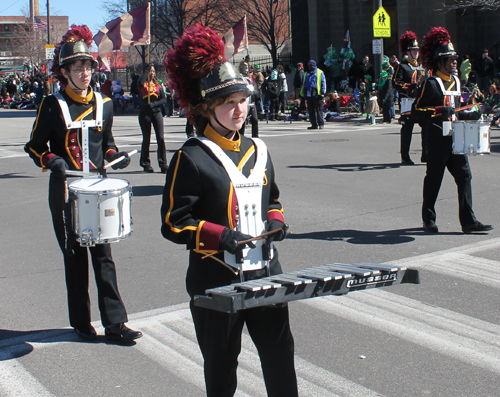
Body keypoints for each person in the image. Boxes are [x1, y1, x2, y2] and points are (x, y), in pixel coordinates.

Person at [161, 24, 298, 397]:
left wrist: (276, 221)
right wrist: (221, 236)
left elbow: (273, 199)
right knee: (221, 366)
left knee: (280, 353)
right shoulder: (191, 157)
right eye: (228, 103)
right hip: (214, 277)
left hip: (267, 271)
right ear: (207, 108)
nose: (239, 110)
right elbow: (174, 223)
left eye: (243, 100)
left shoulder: (260, 150)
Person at [24, 25, 142, 342]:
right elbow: (34, 147)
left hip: (98, 192)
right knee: (75, 257)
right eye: (77, 68)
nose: (84, 73)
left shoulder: (105, 104)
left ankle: (116, 323)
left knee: (103, 257)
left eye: (88, 66)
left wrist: (117, 156)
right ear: (65, 72)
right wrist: (53, 161)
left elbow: (108, 143)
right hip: (65, 192)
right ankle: (81, 322)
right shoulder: (52, 104)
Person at [413, 26, 493, 234]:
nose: (455, 62)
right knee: (434, 179)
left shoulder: (457, 81)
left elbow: (457, 110)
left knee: (465, 176)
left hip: (457, 136)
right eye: (450, 60)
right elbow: (417, 110)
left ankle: (468, 221)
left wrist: (470, 114)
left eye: (455, 59)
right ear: (440, 62)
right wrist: (438, 110)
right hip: (437, 138)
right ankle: (428, 219)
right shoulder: (430, 83)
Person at [394, 31, 428, 165]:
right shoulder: (402, 67)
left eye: (417, 50)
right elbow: (396, 82)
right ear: (407, 52)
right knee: (407, 129)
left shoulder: (422, 68)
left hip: (421, 102)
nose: (416, 53)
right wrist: (408, 86)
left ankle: (425, 154)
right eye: (413, 51)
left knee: (426, 128)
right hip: (407, 101)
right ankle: (405, 156)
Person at [138, 63, 168, 173]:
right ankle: (146, 163)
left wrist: (154, 104)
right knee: (147, 139)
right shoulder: (142, 83)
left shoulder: (158, 85)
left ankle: (163, 163)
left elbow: (164, 99)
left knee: (160, 138)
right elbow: (141, 82)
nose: (152, 73)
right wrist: (146, 70)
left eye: (154, 71)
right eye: (151, 71)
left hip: (156, 112)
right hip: (145, 113)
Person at [301, 59, 326, 130]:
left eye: (310, 65)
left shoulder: (319, 72)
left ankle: (321, 124)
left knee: (319, 110)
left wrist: (322, 93)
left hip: (317, 95)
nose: (309, 67)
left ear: (313, 65)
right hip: (309, 94)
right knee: (311, 111)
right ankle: (314, 125)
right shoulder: (306, 74)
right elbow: (303, 84)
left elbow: (323, 82)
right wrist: (302, 95)